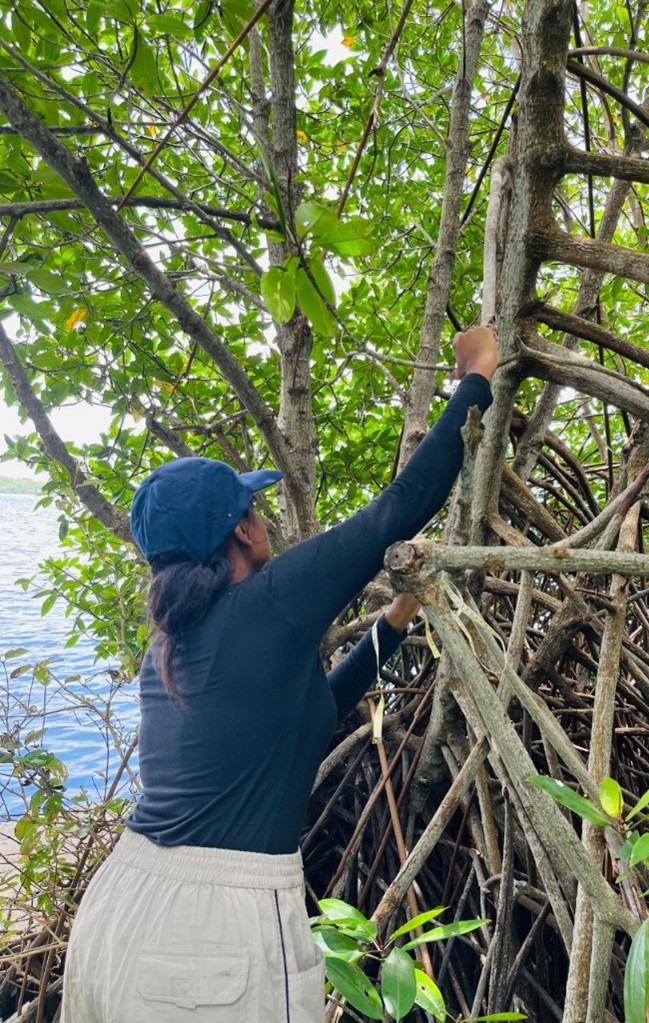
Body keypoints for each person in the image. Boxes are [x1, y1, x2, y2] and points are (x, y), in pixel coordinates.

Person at [61, 326, 498, 1022]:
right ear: (241, 530)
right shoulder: (266, 604)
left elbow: (312, 717)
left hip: (119, 910)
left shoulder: (170, 650)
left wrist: (398, 616)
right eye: (253, 506)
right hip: (212, 930)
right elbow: (397, 506)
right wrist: (475, 375)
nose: (263, 516)